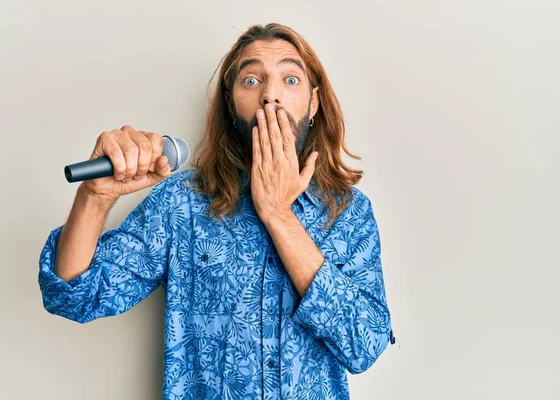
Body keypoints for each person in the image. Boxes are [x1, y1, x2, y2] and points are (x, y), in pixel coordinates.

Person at [38, 22, 395, 400]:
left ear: (313, 102)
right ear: (230, 102)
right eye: (252, 80)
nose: (271, 95)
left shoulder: (348, 211)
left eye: (290, 80)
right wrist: (95, 196)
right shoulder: (183, 203)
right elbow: (75, 297)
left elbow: (365, 345)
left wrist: (278, 213)